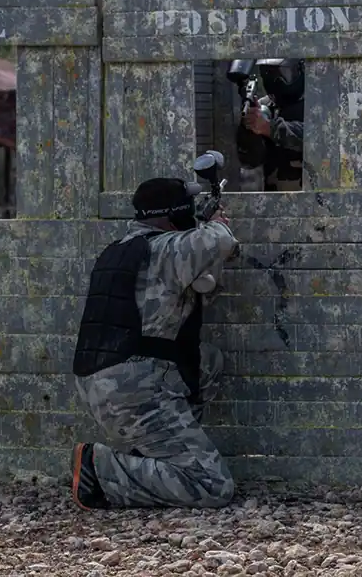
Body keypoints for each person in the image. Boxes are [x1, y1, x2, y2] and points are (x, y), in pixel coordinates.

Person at [70, 177, 240, 509]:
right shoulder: (164, 249)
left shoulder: (121, 248)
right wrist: (216, 222)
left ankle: (149, 456)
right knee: (213, 486)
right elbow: (219, 241)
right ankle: (100, 468)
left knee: (206, 362)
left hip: (106, 385)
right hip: (136, 390)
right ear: (171, 213)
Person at [236, 58, 305, 192]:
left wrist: (269, 128)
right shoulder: (264, 107)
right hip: (275, 200)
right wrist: (249, 128)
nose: (276, 81)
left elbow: (315, 138)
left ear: (299, 71)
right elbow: (250, 160)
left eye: (282, 74)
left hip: (314, 199)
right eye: (269, 75)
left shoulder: (316, 103)